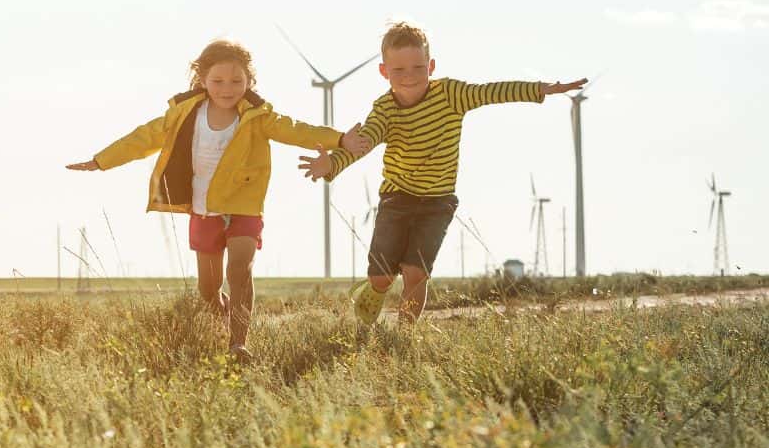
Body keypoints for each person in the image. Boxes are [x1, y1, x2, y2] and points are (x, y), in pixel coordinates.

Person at [68, 38, 370, 361]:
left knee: (239, 271)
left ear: (249, 81)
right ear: (203, 81)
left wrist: (340, 139)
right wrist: (101, 160)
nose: (228, 88)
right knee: (208, 291)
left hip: (244, 208)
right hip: (204, 210)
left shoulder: (258, 117)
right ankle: (224, 317)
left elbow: (297, 130)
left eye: (237, 81)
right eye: (218, 81)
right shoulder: (184, 114)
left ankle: (239, 342)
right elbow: (142, 138)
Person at [299, 22, 586, 325]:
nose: (409, 76)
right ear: (384, 72)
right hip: (396, 198)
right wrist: (331, 163)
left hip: (438, 202)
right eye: (399, 70)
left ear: (431, 66)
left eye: (417, 67)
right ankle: (374, 290)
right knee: (382, 276)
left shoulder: (451, 94)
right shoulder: (384, 109)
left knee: (416, 272)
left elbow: (492, 93)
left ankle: (406, 332)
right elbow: (364, 142)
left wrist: (540, 90)